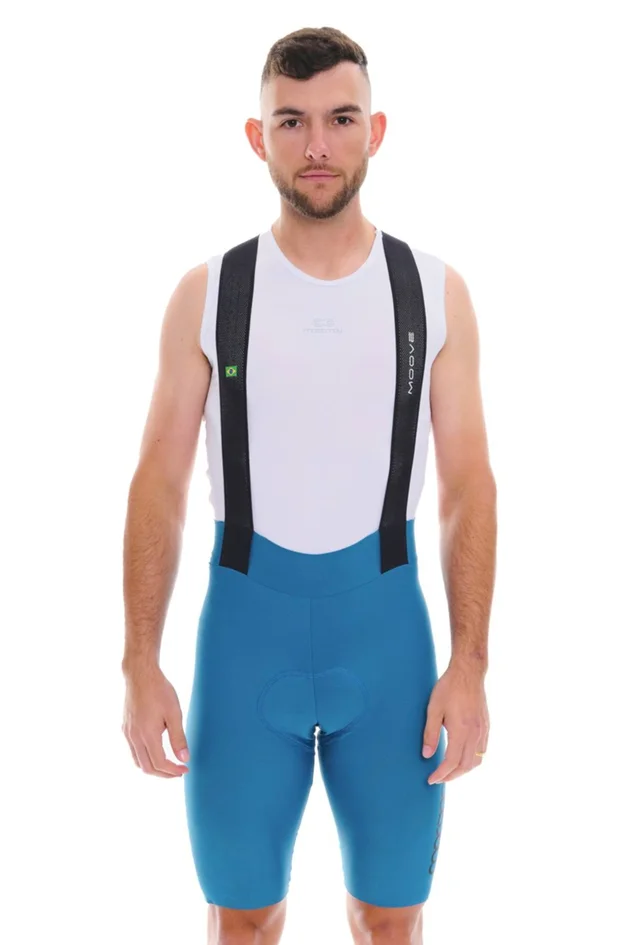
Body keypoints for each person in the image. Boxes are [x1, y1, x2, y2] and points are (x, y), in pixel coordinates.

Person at [121, 25, 496, 945]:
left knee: (390, 919)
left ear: (376, 130)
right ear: (259, 137)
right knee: (243, 920)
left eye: (340, 119)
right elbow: (159, 481)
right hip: (246, 639)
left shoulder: (432, 291)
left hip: (388, 640)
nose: (317, 144)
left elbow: (468, 486)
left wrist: (471, 663)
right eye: (291, 121)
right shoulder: (209, 293)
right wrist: (138, 660)